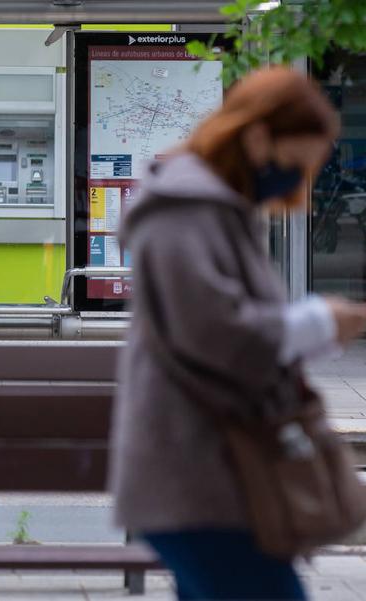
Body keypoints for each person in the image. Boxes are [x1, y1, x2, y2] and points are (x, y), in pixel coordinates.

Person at [109, 67, 366, 601]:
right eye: (297, 163)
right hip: (197, 475)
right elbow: (213, 332)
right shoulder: (184, 212)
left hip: (214, 473)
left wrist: (316, 330)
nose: (299, 182)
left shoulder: (214, 208)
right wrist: (319, 322)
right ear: (256, 136)